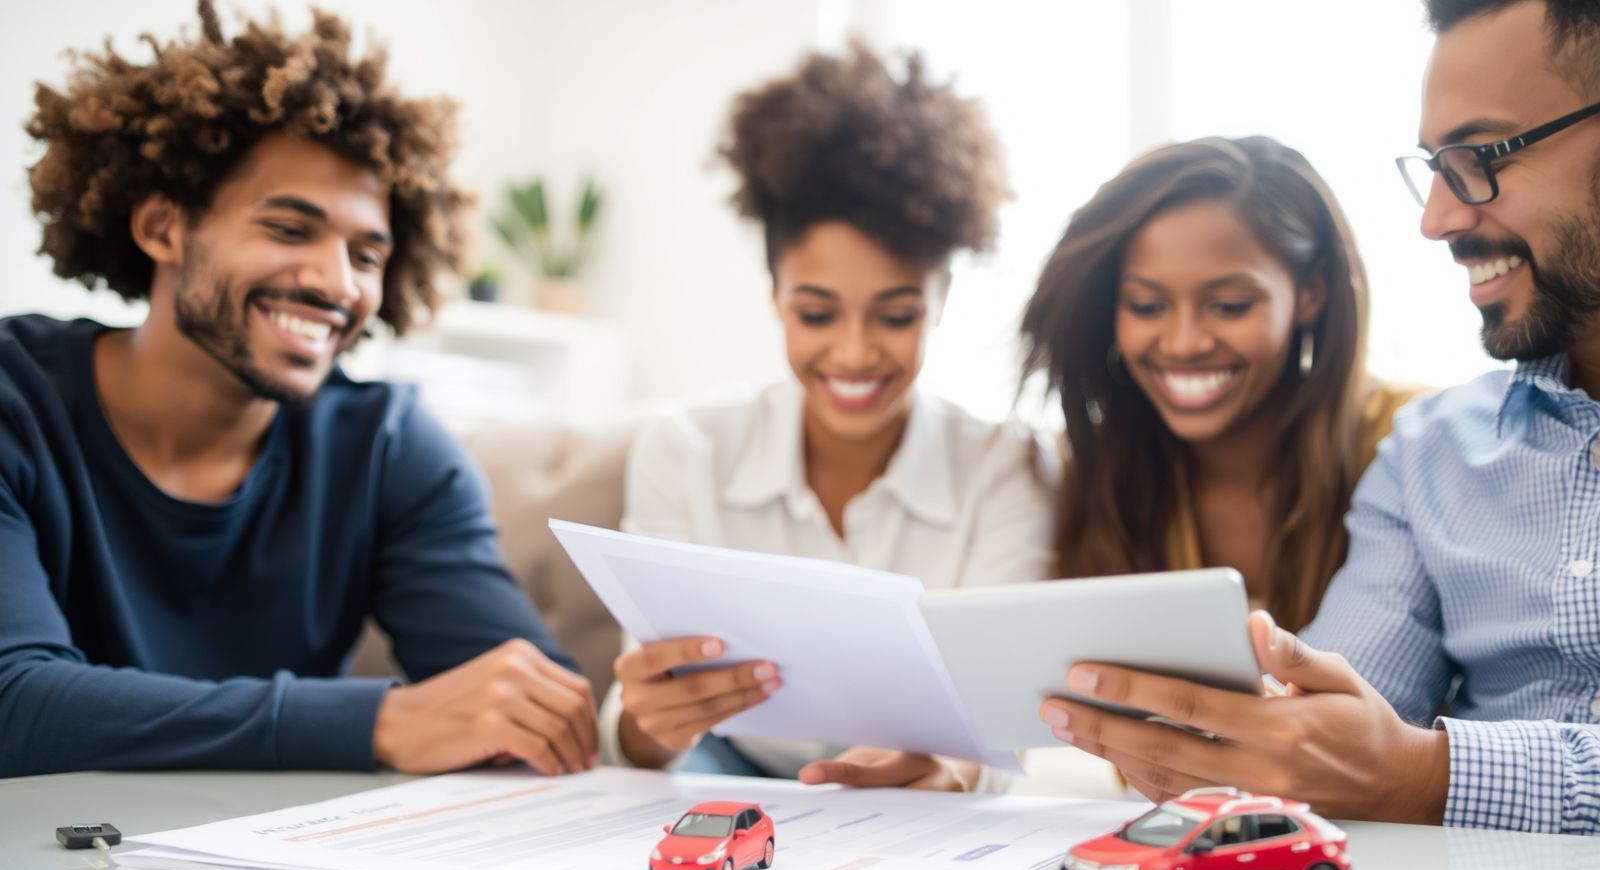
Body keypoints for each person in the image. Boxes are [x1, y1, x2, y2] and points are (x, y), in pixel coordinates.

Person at [1039, 0, 1600, 833]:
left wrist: (1431, 775)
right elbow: (1333, 732)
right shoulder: (1429, 454)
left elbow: (1392, 768)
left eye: (1480, 158)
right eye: (1436, 167)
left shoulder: (1385, 428)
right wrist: (1270, 738)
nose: (1436, 218)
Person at [0, 1, 598, 778]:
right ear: (160, 227)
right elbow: (13, 705)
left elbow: (534, 712)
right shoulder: (17, 407)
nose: (334, 283)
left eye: (368, 256)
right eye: (289, 230)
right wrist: (377, 721)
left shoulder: (388, 447)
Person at [598, 45, 1055, 791]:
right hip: (724, 771)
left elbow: (1003, 730)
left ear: (940, 302)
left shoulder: (1008, 466)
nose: (854, 353)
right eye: (816, 313)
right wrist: (645, 723)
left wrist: (948, 773)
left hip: (919, 800)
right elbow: (642, 720)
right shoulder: (685, 448)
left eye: (896, 314)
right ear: (774, 294)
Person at [1021, 136, 1419, 633]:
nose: (1184, 343)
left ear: (1310, 293)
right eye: (1147, 306)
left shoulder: (1412, 443)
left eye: (1229, 305)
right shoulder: (1078, 474)